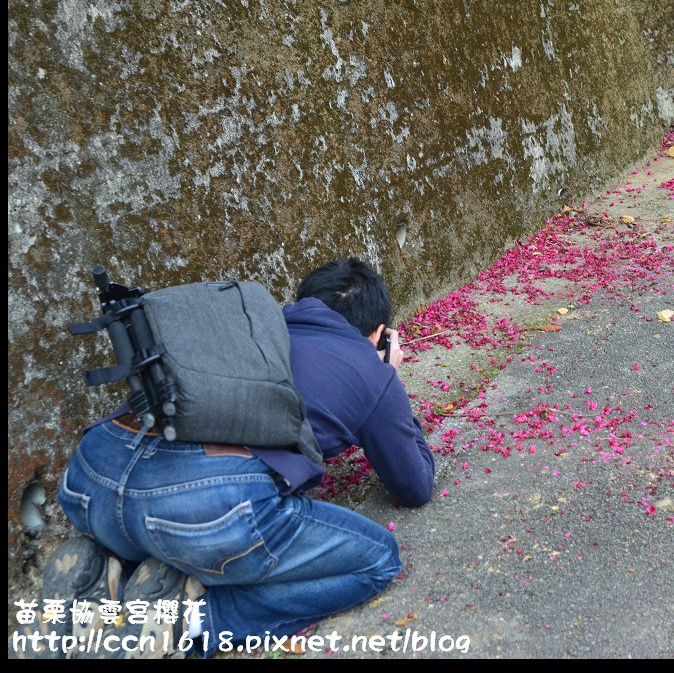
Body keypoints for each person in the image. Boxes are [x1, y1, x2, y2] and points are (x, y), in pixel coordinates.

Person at [15, 258, 434, 659]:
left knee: (164, 525)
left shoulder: (251, 329)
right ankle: (192, 620)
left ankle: (98, 584)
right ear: (380, 333)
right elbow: (414, 484)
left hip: (90, 480)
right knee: (380, 559)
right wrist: (390, 382)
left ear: (304, 302)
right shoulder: (370, 369)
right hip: (198, 511)